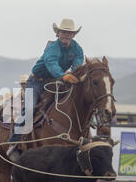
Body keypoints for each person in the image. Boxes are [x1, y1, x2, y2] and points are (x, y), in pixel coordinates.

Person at [6, 18, 84, 161]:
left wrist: (75, 74)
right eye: (63, 32)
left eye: (69, 32)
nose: (66, 35)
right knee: (29, 108)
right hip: (36, 81)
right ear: (58, 33)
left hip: (55, 82)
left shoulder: (77, 49)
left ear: (73, 35)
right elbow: (52, 64)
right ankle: (13, 142)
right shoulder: (52, 48)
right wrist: (64, 76)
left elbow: (78, 64)